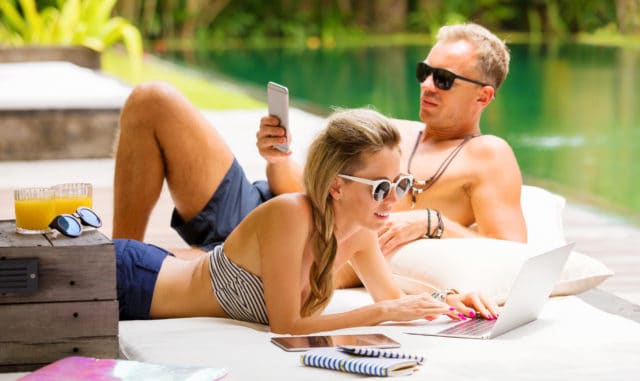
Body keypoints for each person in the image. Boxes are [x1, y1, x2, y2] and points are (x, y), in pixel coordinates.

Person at [113, 22, 525, 257]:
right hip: (267, 208)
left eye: (445, 79)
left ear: (483, 96)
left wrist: (433, 222)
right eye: (424, 72)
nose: (428, 85)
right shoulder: (394, 132)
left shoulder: (487, 155)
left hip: (294, 244)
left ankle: (121, 269)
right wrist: (276, 157)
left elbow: (512, 250)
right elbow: (305, 190)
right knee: (152, 100)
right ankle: (116, 259)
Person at [114, 108, 499, 333]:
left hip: (145, 278)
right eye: (381, 187)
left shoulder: (360, 232)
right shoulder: (291, 215)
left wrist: (448, 301)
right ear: (336, 186)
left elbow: (393, 298)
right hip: (131, 281)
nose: (395, 199)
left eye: (400, 183)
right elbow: (287, 325)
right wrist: (381, 314)